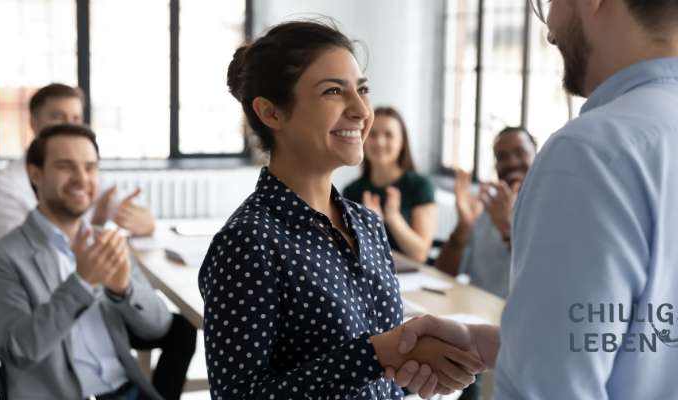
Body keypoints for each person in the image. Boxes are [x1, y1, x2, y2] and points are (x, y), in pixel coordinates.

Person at [388, 0, 678, 398]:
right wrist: (502, 344)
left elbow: (548, 391)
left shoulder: (590, 151)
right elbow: (675, 344)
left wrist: (530, 360)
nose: (549, 30)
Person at [198, 20, 484, 399]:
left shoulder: (366, 223)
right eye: (334, 91)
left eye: (362, 89)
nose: (362, 110)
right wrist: (376, 354)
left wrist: (413, 368)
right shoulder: (249, 242)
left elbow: (379, 376)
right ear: (271, 113)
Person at [0, 84, 196, 400]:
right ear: (35, 175)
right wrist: (82, 282)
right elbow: (20, 352)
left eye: (90, 167)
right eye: (65, 167)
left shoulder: (103, 242)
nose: (82, 178)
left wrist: (124, 290)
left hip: (127, 390)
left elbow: (157, 329)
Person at [0, 83, 156, 243]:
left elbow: (118, 202)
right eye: (58, 117)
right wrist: (96, 226)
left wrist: (141, 219)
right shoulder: (3, 188)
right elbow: (16, 263)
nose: (69, 126)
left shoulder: (86, 175)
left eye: (76, 118)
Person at [435, 127, 536, 298]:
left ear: (537, 156)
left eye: (520, 153)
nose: (511, 162)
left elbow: (545, 279)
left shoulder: (552, 208)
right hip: (479, 314)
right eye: (502, 157)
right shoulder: (485, 206)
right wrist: (463, 227)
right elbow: (443, 273)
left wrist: (507, 228)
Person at [343, 107, 437, 262]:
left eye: (389, 135)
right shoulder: (351, 191)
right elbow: (352, 252)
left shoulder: (420, 186)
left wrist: (393, 218)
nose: (380, 142)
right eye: (373, 134)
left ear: (402, 142)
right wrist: (374, 225)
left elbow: (420, 254)